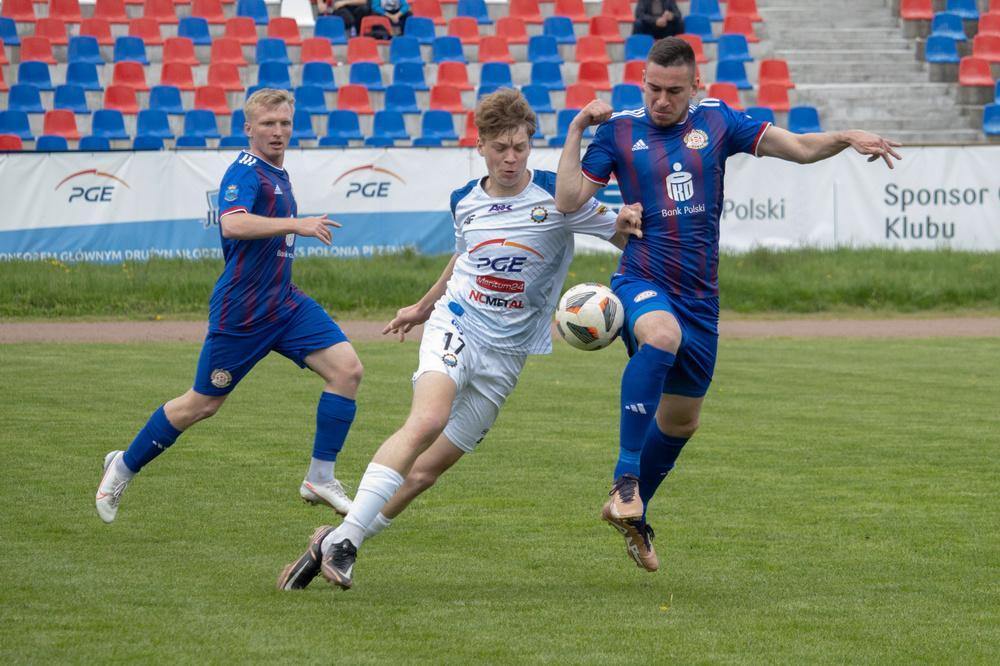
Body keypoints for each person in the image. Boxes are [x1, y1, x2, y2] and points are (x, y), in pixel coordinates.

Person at [554, 37, 902, 572]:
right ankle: (625, 483)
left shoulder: (718, 121)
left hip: (702, 300)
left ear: (696, 87)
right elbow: (569, 200)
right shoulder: (618, 129)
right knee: (661, 338)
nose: (661, 100)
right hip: (641, 277)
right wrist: (578, 129)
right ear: (641, 81)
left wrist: (845, 136)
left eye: (673, 90)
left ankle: (629, 511)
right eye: (652, 88)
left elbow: (801, 149)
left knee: (682, 422)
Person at [276, 88, 645, 591]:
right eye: (500, 147)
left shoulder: (560, 200)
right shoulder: (465, 200)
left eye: (519, 146)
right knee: (426, 419)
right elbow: (463, 259)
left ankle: (338, 539)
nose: (510, 157)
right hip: (457, 324)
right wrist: (423, 308)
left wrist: (628, 223)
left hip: (507, 356)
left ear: (531, 143)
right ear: (481, 146)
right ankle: (343, 545)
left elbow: (630, 237)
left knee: (426, 473)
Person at [95, 89, 362, 524]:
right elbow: (234, 223)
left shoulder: (278, 173)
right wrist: (299, 223)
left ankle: (320, 477)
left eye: (284, 123)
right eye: (268, 124)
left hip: (284, 302)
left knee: (347, 370)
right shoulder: (245, 172)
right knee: (201, 404)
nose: (278, 132)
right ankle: (122, 465)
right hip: (243, 311)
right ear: (248, 128)